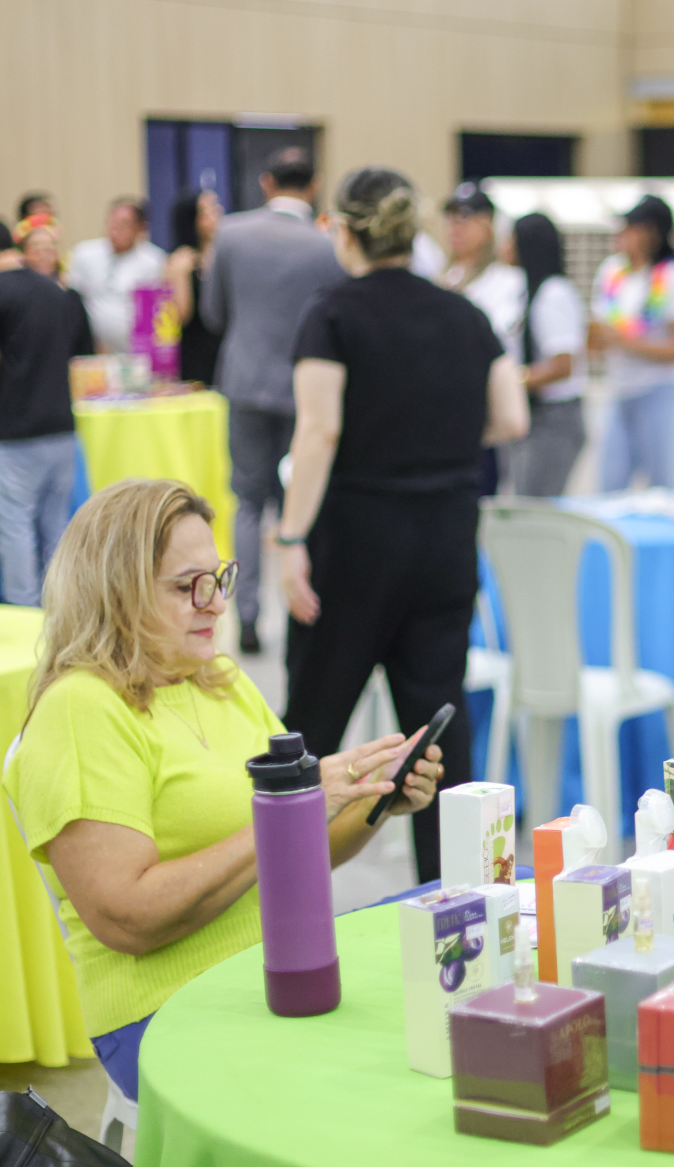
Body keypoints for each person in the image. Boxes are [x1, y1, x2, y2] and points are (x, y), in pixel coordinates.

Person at [2, 478, 444, 1100]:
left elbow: (294, 854)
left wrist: (376, 802)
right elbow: (127, 919)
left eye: (219, 579)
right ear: (115, 591)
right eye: (188, 587)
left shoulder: (219, 681)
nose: (214, 604)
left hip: (276, 970)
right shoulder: (82, 709)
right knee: (417, 1042)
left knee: (458, 935)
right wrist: (292, 810)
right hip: (167, 1011)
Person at [278, 165, 526, 872]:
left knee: (312, 729)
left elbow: (317, 433)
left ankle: (285, 906)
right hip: (445, 542)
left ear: (345, 232)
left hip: (354, 544)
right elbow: (512, 416)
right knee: (437, 739)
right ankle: (456, 912)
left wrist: (290, 537)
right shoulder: (465, 313)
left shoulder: (332, 313)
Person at [201, 150, 345, 655]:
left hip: (244, 382)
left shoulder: (232, 234)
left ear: (266, 182)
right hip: (306, 391)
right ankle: (300, 608)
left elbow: (212, 312)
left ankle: (244, 615)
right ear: (315, 184)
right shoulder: (326, 245)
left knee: (247, 501)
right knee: (298, 504)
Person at [0, 218, 93, 606]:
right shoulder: (54, 289)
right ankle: (63, 611)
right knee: (56, 529)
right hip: (61, 428)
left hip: (15, 431)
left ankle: (23, 617)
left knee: (15, 530)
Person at [591, 194, 674, 491]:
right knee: (610, 483)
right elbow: (599, 332)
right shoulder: (612, 273)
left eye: (630, 228)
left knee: (663, 483)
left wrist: (626, 342)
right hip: (622, 390)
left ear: (651, 233)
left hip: (663, 390)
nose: (621, 236)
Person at [441, 183, 527, 495]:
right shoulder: (446, 278)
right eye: (450, 219)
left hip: (486, 409)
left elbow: (500, 341)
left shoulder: (508, 282)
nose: (455, 228)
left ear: (487, 225)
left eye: (464, 218)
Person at [506, 212, 587, 496]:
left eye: (511, 239)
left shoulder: (554, 294)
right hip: (534, 415)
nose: (504, 246)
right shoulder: (526, 291)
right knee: (524, 496)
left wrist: (512, 382)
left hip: (556, 418)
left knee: (537, 503)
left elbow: (562, 364)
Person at [69, 197, 165, 354]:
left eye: (123, 225)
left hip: (134, 354)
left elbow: (153, 316)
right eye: (111, 223)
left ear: (141, 229)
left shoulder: (154, 261)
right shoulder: (84, 254)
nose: (114, 230)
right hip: (91, 351)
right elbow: (73, 303)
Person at [163, 189, 223, 386]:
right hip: (196, 351)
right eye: (210, 210)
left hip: (225, 348)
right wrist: (182, 275)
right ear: (194, 220)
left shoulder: (224, 255)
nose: (219, 212)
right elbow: (180, 316)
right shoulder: (181, 261)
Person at [17, 213, 64, 282]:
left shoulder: (67, 282)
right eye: (36, 251)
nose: (43, 256)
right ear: (25, 252)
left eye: (48, 250)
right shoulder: (17, 281)